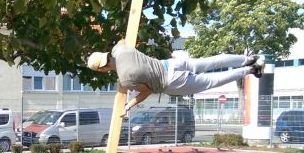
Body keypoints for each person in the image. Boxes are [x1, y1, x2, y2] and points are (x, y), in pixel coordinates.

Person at [87, 42, 265, 114]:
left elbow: (146, 91)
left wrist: (128, 106)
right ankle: (250, 58)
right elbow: (123, 41)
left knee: (213, 80)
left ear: (102, 69)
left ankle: (251, 70)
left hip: (171, 82)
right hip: (172, 64)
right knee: (212, 61)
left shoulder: (125, 79)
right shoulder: (120, 49)